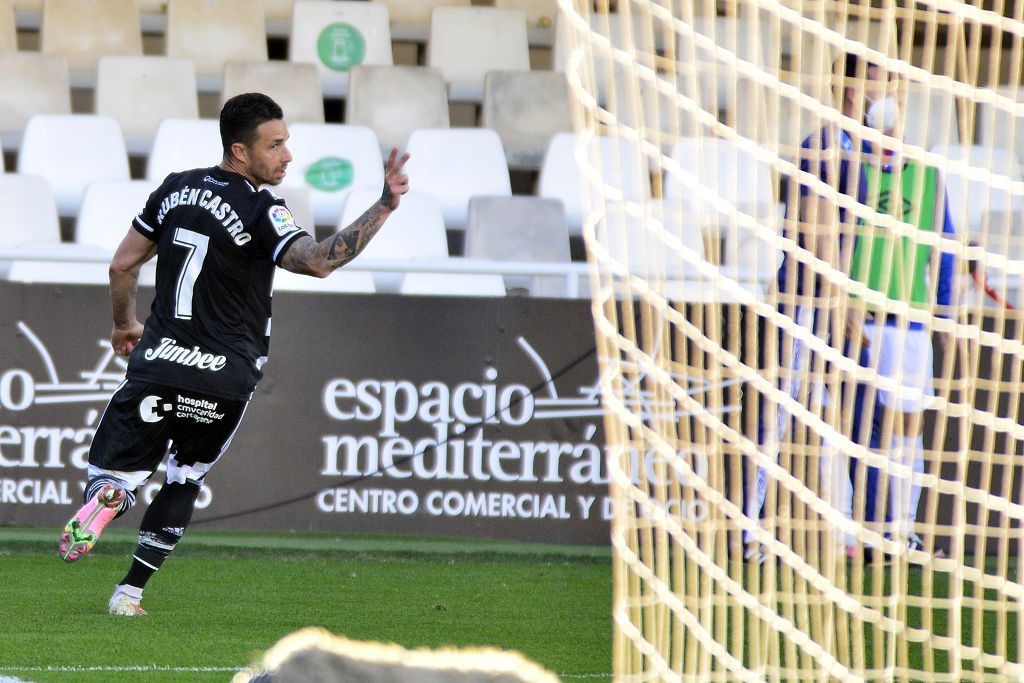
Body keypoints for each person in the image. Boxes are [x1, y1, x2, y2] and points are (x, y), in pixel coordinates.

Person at [57, 92, 410, 616]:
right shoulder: (262, 208)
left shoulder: (175, 189)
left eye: (286, 142)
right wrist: (384, 205)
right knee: (183, 477)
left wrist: (122, 324)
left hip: (158, 362)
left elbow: (121, 266)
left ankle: (114, 494)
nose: (287, 155)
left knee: (115, 473)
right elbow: (316, 262)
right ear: (240, 152)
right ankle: (128, 593)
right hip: (222, 377)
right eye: (275, 145)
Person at [749, 53, 957, 561]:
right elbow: (817, 231)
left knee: (861, 419)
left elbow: (849, 236)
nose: (889, 94)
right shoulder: (826, 145)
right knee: (786, 413)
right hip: (808, 303)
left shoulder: (864, 151)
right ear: (850, 87)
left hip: (840, 306)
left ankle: (876, 530)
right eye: (881, 82)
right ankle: (751, 530)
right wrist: (838, 297)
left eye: (895, 85)